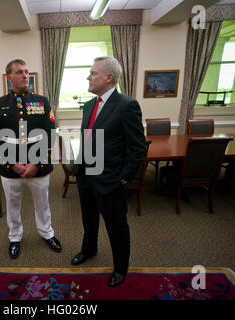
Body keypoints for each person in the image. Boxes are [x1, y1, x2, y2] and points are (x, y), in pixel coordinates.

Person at [71, 56, 147, 287]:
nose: (89, 76)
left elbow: (137, 147)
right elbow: (88, 139)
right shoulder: (89, 105)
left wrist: (123, 178)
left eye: (93, 73)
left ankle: (121, 267)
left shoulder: (127, 105)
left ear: (109, 77)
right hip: (86, 176)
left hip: (110, 179)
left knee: (116, 225)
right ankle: (89, 250)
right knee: (89, 219)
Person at [0, 59, 61, 259]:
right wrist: (14, 165)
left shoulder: (42, 101)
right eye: (19, 72)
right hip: (10, 169)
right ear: (8, 77)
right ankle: (15, 237)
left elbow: (50, 133)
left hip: (39, 166)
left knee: (43, 203)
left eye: (27, 72)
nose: (25, 75)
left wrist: (36, 164)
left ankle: (47, 233)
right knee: (12, 205)